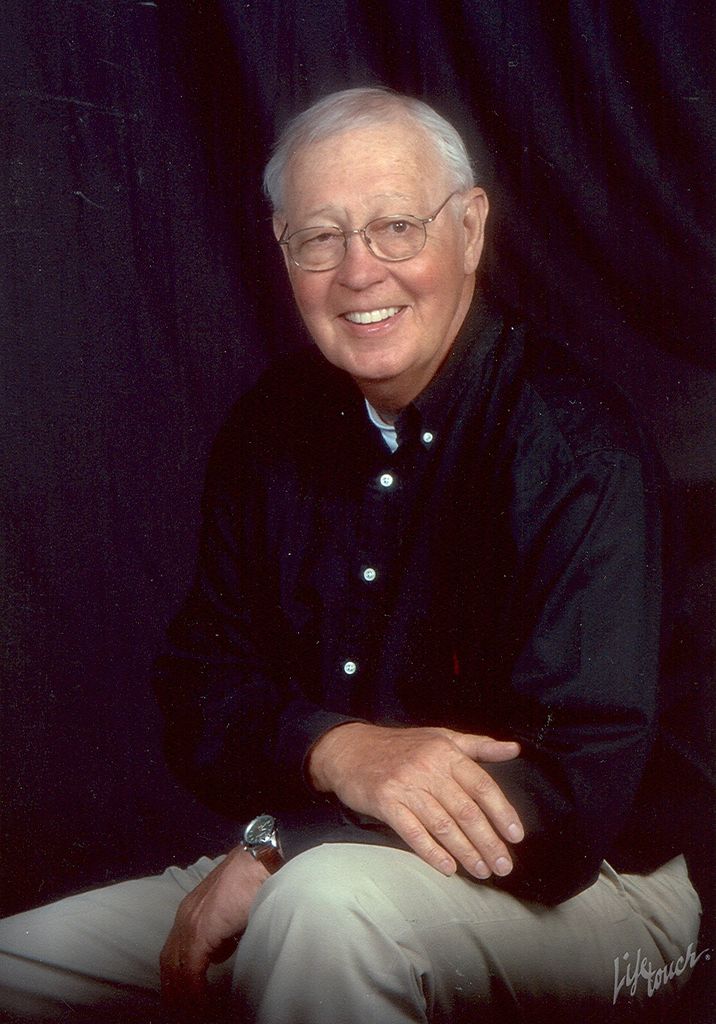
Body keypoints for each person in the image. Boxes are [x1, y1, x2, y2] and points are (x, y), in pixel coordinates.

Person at [0, 87, 703, 1024]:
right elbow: (200, 691)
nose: (360, 272)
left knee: (323, 911)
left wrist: (283, 847)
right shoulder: (271, 427)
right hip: (319, 862)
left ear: (471, 230)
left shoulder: (575, 449)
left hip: (601, 890)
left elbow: (573, 804)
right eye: (321, 238)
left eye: (396, 228)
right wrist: (335, 748)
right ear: (283, 249)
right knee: (17, 967)